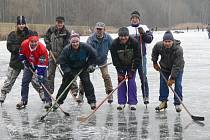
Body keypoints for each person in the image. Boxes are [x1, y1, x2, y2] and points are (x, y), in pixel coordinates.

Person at [0, 16, 42, 103]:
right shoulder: (12, 35)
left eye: (23, 24)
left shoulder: (30, 33)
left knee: (34, 79)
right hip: (16, 61)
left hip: (29, 61)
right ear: (17, 25)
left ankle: (41, 92)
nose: (21, 26)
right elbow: (9, 46)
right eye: (20, 24)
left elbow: (36, 43)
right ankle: (3, 93)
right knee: (9, 80)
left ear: (25, 24)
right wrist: (19, 49)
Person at [54, 33, 97, 110]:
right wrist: (68, 71)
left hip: (83, 67)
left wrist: (91, 65)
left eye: (77, 41)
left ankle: (92, 102)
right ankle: (58, 101)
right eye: (73, 42)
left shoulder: (85, 47)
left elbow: (94, 55)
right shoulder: (66, 50)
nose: (75, 44)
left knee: (87, 82)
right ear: (70, 42)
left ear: (79, 41)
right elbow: (62, 62)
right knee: (65, 84)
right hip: (71, 68)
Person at [77, 22, 113, 104]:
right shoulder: (91, 39)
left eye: (100, 29)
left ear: (104, 30)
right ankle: (81, 93)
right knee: (84, 76)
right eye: (97, 29)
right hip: (91, 61)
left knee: (106, 76)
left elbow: (113, 48)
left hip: (102, 60)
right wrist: (89, 65)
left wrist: (116, 58)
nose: (99, 31)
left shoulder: (108, 38)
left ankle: (109, 93)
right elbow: (87, 52)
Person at [17, 32, 52, 109]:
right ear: (29, 41)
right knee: (25, 81)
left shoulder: (42, 49)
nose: (34, 43)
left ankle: (48, 101)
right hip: (29, 64)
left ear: (38, 41)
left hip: (40, 64)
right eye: (32, 42)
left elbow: (42, 65)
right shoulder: (24, 44)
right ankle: (24, 100)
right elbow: (21, 55)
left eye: (35, 42)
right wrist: (24, 61)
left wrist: (40, 75)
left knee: (44, 81)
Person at [151, 30, 185, 112]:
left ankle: (177, 103)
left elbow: (176, 65)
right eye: (165, 41)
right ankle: (163, 102)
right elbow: (154, 52)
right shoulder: (159, 45)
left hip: (178, 68)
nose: (167, 43)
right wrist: (155, 62)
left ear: (172, 41)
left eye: (169, 41)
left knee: (177, 84)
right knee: (163, 84)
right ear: (163, 41)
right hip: (165, 67)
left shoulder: (178, 50)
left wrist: (172, 78)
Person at [44, 16, 78, 95]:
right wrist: (48, 44)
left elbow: (67, 46)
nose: (59, 24)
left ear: (63, 23)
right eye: (58, 22)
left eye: (61, 22)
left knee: (68, 72)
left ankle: (74, 89)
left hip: (63, 56)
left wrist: (61, 57)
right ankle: (50, 89)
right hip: (52, 55)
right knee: (50, 73)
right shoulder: (51, 30)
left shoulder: (66, 33)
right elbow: (46, 38)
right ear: (56, 22)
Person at [110, 27, 141, 111]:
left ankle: (132, 103)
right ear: (118, 36)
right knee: (121, 81)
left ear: (128, 35)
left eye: (125, 36)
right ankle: (121, 102)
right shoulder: (114, 44)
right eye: (121, 36)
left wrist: (132, 70)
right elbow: (115, 59)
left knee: (131, 81)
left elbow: (137, 57)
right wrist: (120, 71)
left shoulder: (134, 42)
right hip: (120, 65)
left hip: (132, 65)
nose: (123, 38)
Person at [127, 10, 153, 105]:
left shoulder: (145, 27)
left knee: (143, 77)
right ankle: (131, 100)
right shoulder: (127, 29)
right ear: (130, 20)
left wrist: (143, 34)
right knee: (131, 78)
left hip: (142, 57)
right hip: (131, 58)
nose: (134, 20)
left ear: (139, 19)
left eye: (136, 18)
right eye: (133, 18)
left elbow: (149, 40)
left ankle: (146, 96)